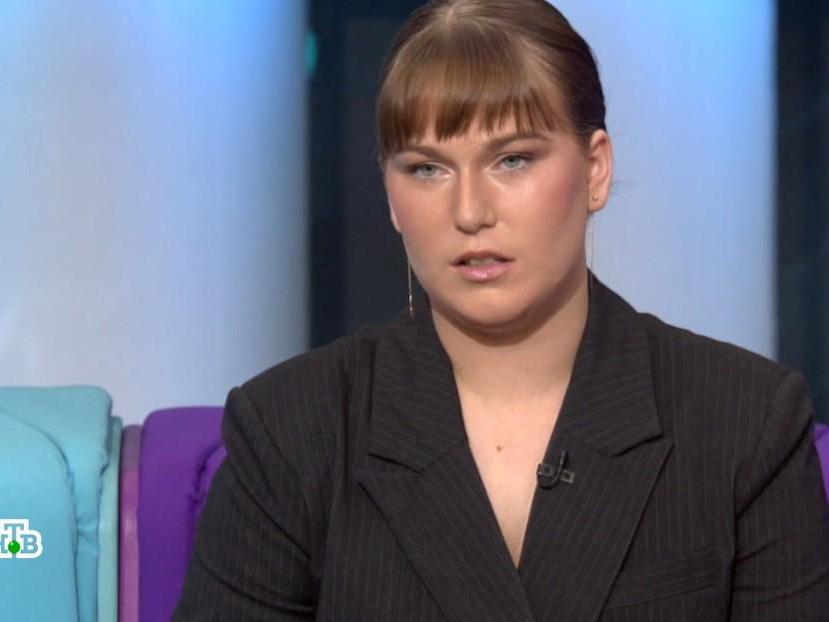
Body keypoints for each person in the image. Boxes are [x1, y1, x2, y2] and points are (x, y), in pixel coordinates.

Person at [173, 0, 829, 619]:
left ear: (595, 169)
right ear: (391, 197)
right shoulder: (290, 431)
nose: (469, 212)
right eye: (427, 169)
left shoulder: (745, 423)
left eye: (512, 160)